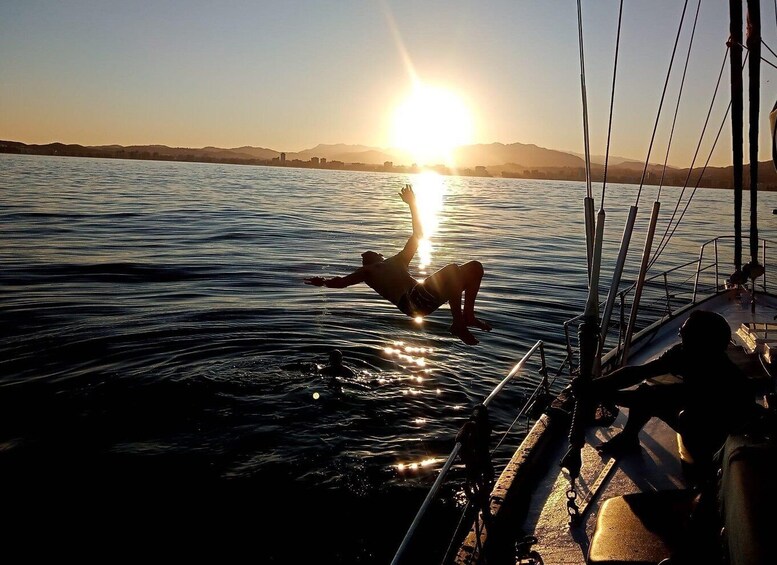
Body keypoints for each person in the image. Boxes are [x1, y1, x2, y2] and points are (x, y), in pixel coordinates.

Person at [304, 184, 491, 345]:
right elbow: (342, 282)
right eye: (366, 256)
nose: (364, 256)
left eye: (368, 254)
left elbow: (418, 235)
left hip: (422, 297)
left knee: (475, 268)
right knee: (452, 271)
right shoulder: (370, 271)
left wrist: (413, 205)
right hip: (413, 302)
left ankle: (468, 317)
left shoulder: (397, 261)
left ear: (379, 255)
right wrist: (323, 282)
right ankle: (459, 323)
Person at [590, 310, 759, 473]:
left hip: (721, 429)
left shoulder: (721, 377)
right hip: (697, 411)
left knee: (684, 416)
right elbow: (639, 373)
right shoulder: (684, 353)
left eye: (686, 337)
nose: (681, 341)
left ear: (705, 345)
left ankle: (706, 472)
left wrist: (598, 392)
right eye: (681, 334)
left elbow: (660, 398)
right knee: (648, 391)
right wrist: (596, 385)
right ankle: (629, 437)